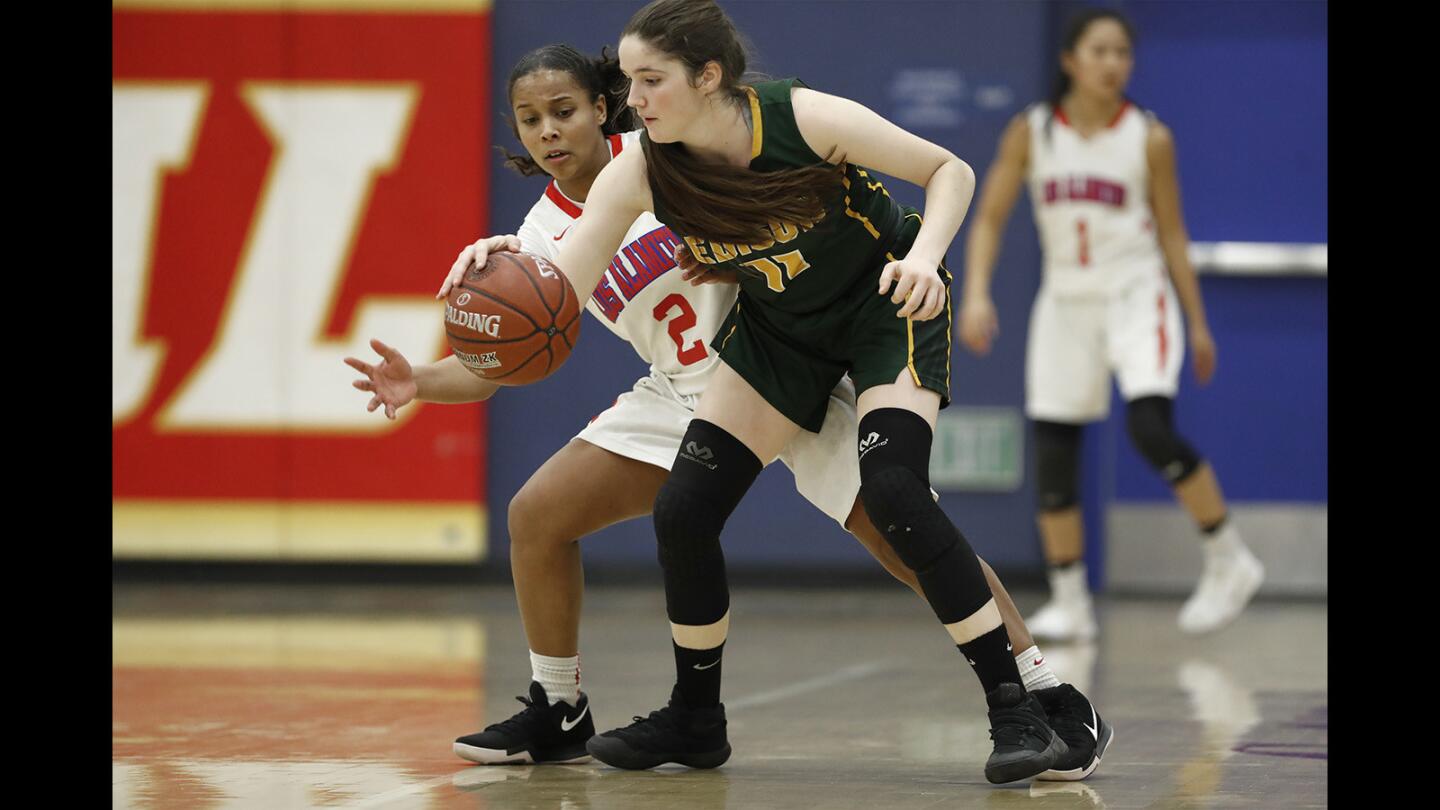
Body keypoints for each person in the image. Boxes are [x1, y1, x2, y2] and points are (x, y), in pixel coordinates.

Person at [354, 41, 1108, 783]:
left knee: (901, 525)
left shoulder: (671, 149)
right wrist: (418, 377)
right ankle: (561, 708)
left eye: (563, 111)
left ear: (603, 108)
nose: (548, 131)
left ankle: (1039, 689)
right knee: (538, 517)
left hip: (776, 353)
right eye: (529, 120)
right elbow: (504, 361)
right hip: (680, 388)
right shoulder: (538, 237)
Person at [957, 8, 1264, 640]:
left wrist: (1198, 322)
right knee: (1055, 450)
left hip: (1135, 294)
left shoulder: (1149, 137)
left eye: (1122, 52)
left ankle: (1228, 557)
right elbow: (989, 217)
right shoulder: (1033, 132)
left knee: (1151, 427)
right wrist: (977, 292)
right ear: (1070, 60)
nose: (1112, 63)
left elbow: (1174, 232)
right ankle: (1071, 600)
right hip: (1065, 301)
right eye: (1099, 50)